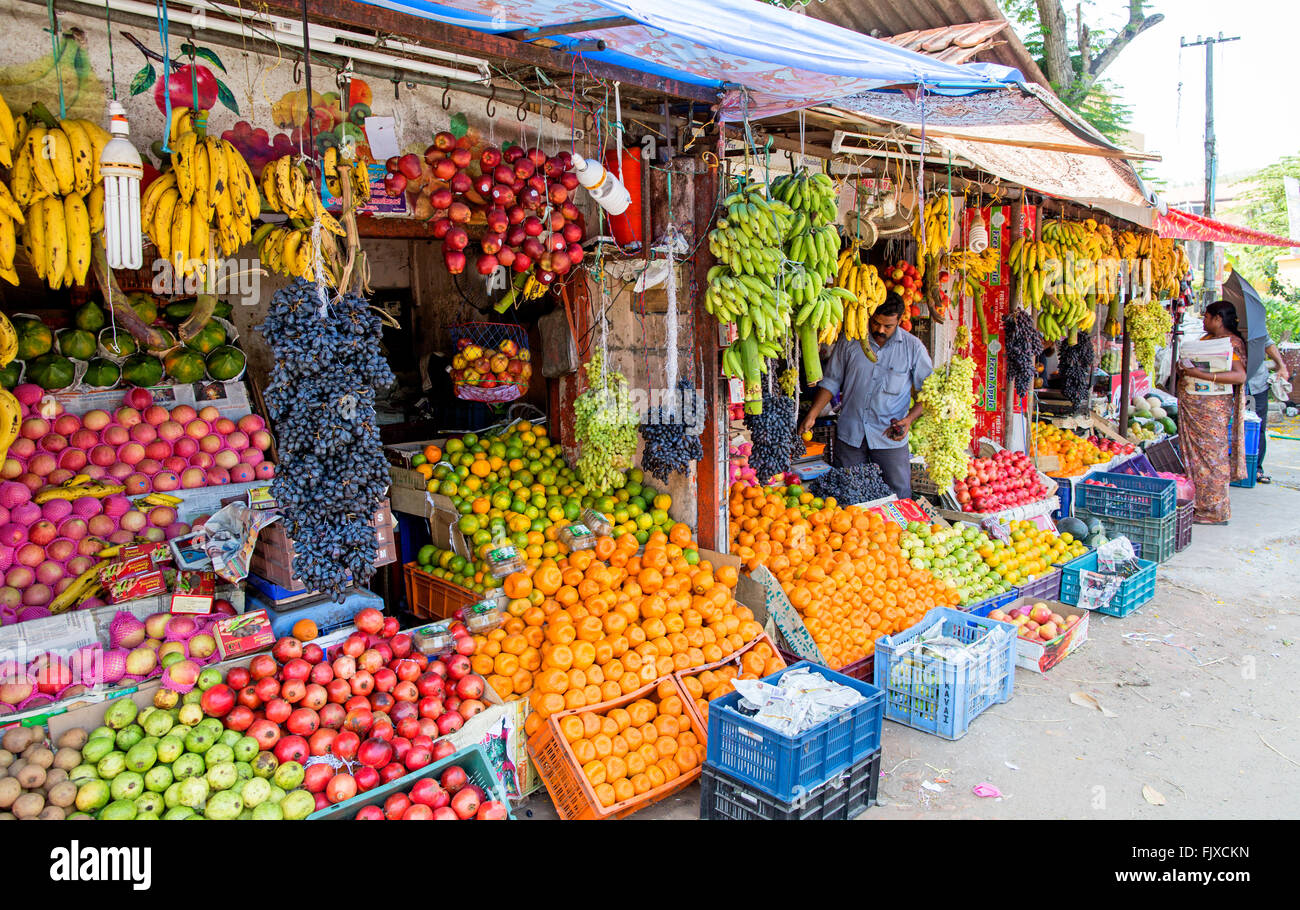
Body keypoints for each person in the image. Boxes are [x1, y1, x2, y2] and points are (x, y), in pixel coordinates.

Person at [797, 293, 932, 499]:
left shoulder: (913, 348)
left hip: (889, 437)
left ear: (899, 320)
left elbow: (928, 393)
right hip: (851, 435)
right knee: (847, 496)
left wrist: (909, 420)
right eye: (876, 323)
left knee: (899, 495)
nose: (880, 330)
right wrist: (813, 414)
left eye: (888, 326)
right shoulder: (850, 341)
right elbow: (832, 380)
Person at [1175, 300, 1248, 525]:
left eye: (1207, 316)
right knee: (1195, 459)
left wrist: (1200, 374)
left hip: (1211, 412)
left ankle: (1214, 511)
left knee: (1211, 459)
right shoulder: (1207, 341)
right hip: (1193, 407)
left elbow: (1239, 376)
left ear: (1218, 319)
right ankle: (1198, 505)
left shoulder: (1231, 344)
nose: (1204, 321)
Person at [1246, 334, 1289, 484]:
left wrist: (1282, 366)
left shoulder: (1256, 328)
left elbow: (1269, 344)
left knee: (1257, 427)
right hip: (1235, 385)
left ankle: (1256, 469)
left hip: (1257, 385)